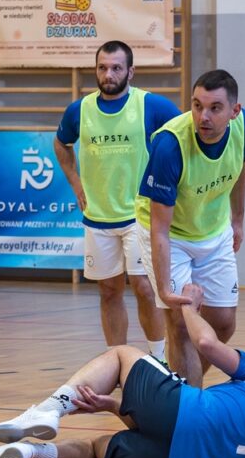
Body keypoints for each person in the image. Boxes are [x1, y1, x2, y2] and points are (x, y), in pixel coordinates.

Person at [0, 283, 245, 458]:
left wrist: (190, 307)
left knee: (121, 354)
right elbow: (175, 432)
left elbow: (208, 344)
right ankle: (29, 453)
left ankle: (49, 410)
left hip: (180, 414)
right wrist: (113, 406)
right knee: (95, 450)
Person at [53, 41, 180, 361]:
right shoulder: (79, 110)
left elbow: (184, 138)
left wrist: (169, 187)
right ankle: (117, 360)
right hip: (98, 217)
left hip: (140, 216)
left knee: (144, 287)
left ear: (130, 72)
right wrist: (75, 182)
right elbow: (61, 144)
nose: (108, 74)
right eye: (102, 67)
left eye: (116, 68)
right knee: (109, 291)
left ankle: (159, 359)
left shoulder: (151, 105)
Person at [135, 69, 245, 387]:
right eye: (197, 105)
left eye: (214, 108)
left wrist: (238, 219)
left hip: (213, 229)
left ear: (235, 111)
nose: (203, 116)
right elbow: (159, 230)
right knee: (180, 323)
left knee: (223, 323)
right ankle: (186, 407)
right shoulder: (169, 145)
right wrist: (164, 289)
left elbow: (241, 164)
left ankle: (173, 390)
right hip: (170, 235)